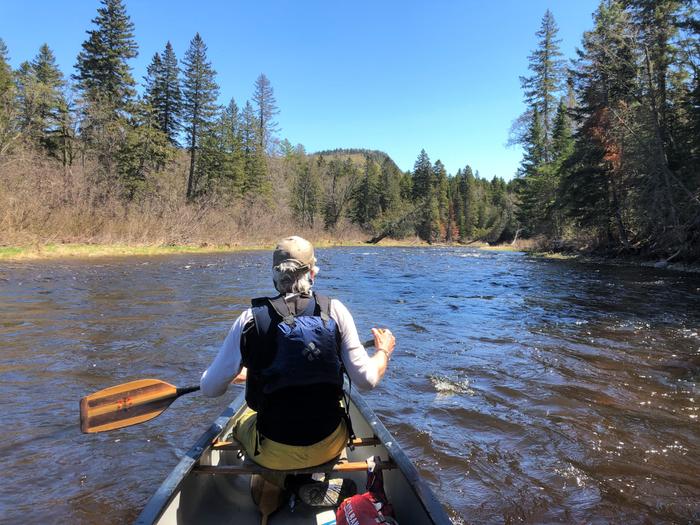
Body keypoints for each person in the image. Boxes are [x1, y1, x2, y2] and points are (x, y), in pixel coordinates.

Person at [200, 236, 396, 471]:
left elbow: (210, 389)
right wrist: (383, 351)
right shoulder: (336, 311)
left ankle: (272, 482)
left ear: (275, 275)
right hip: (329, 444)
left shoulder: (249, 320)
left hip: (273, 451)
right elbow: (367, 380)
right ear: (312, 272)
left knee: (240, 423)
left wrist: (238, 372)